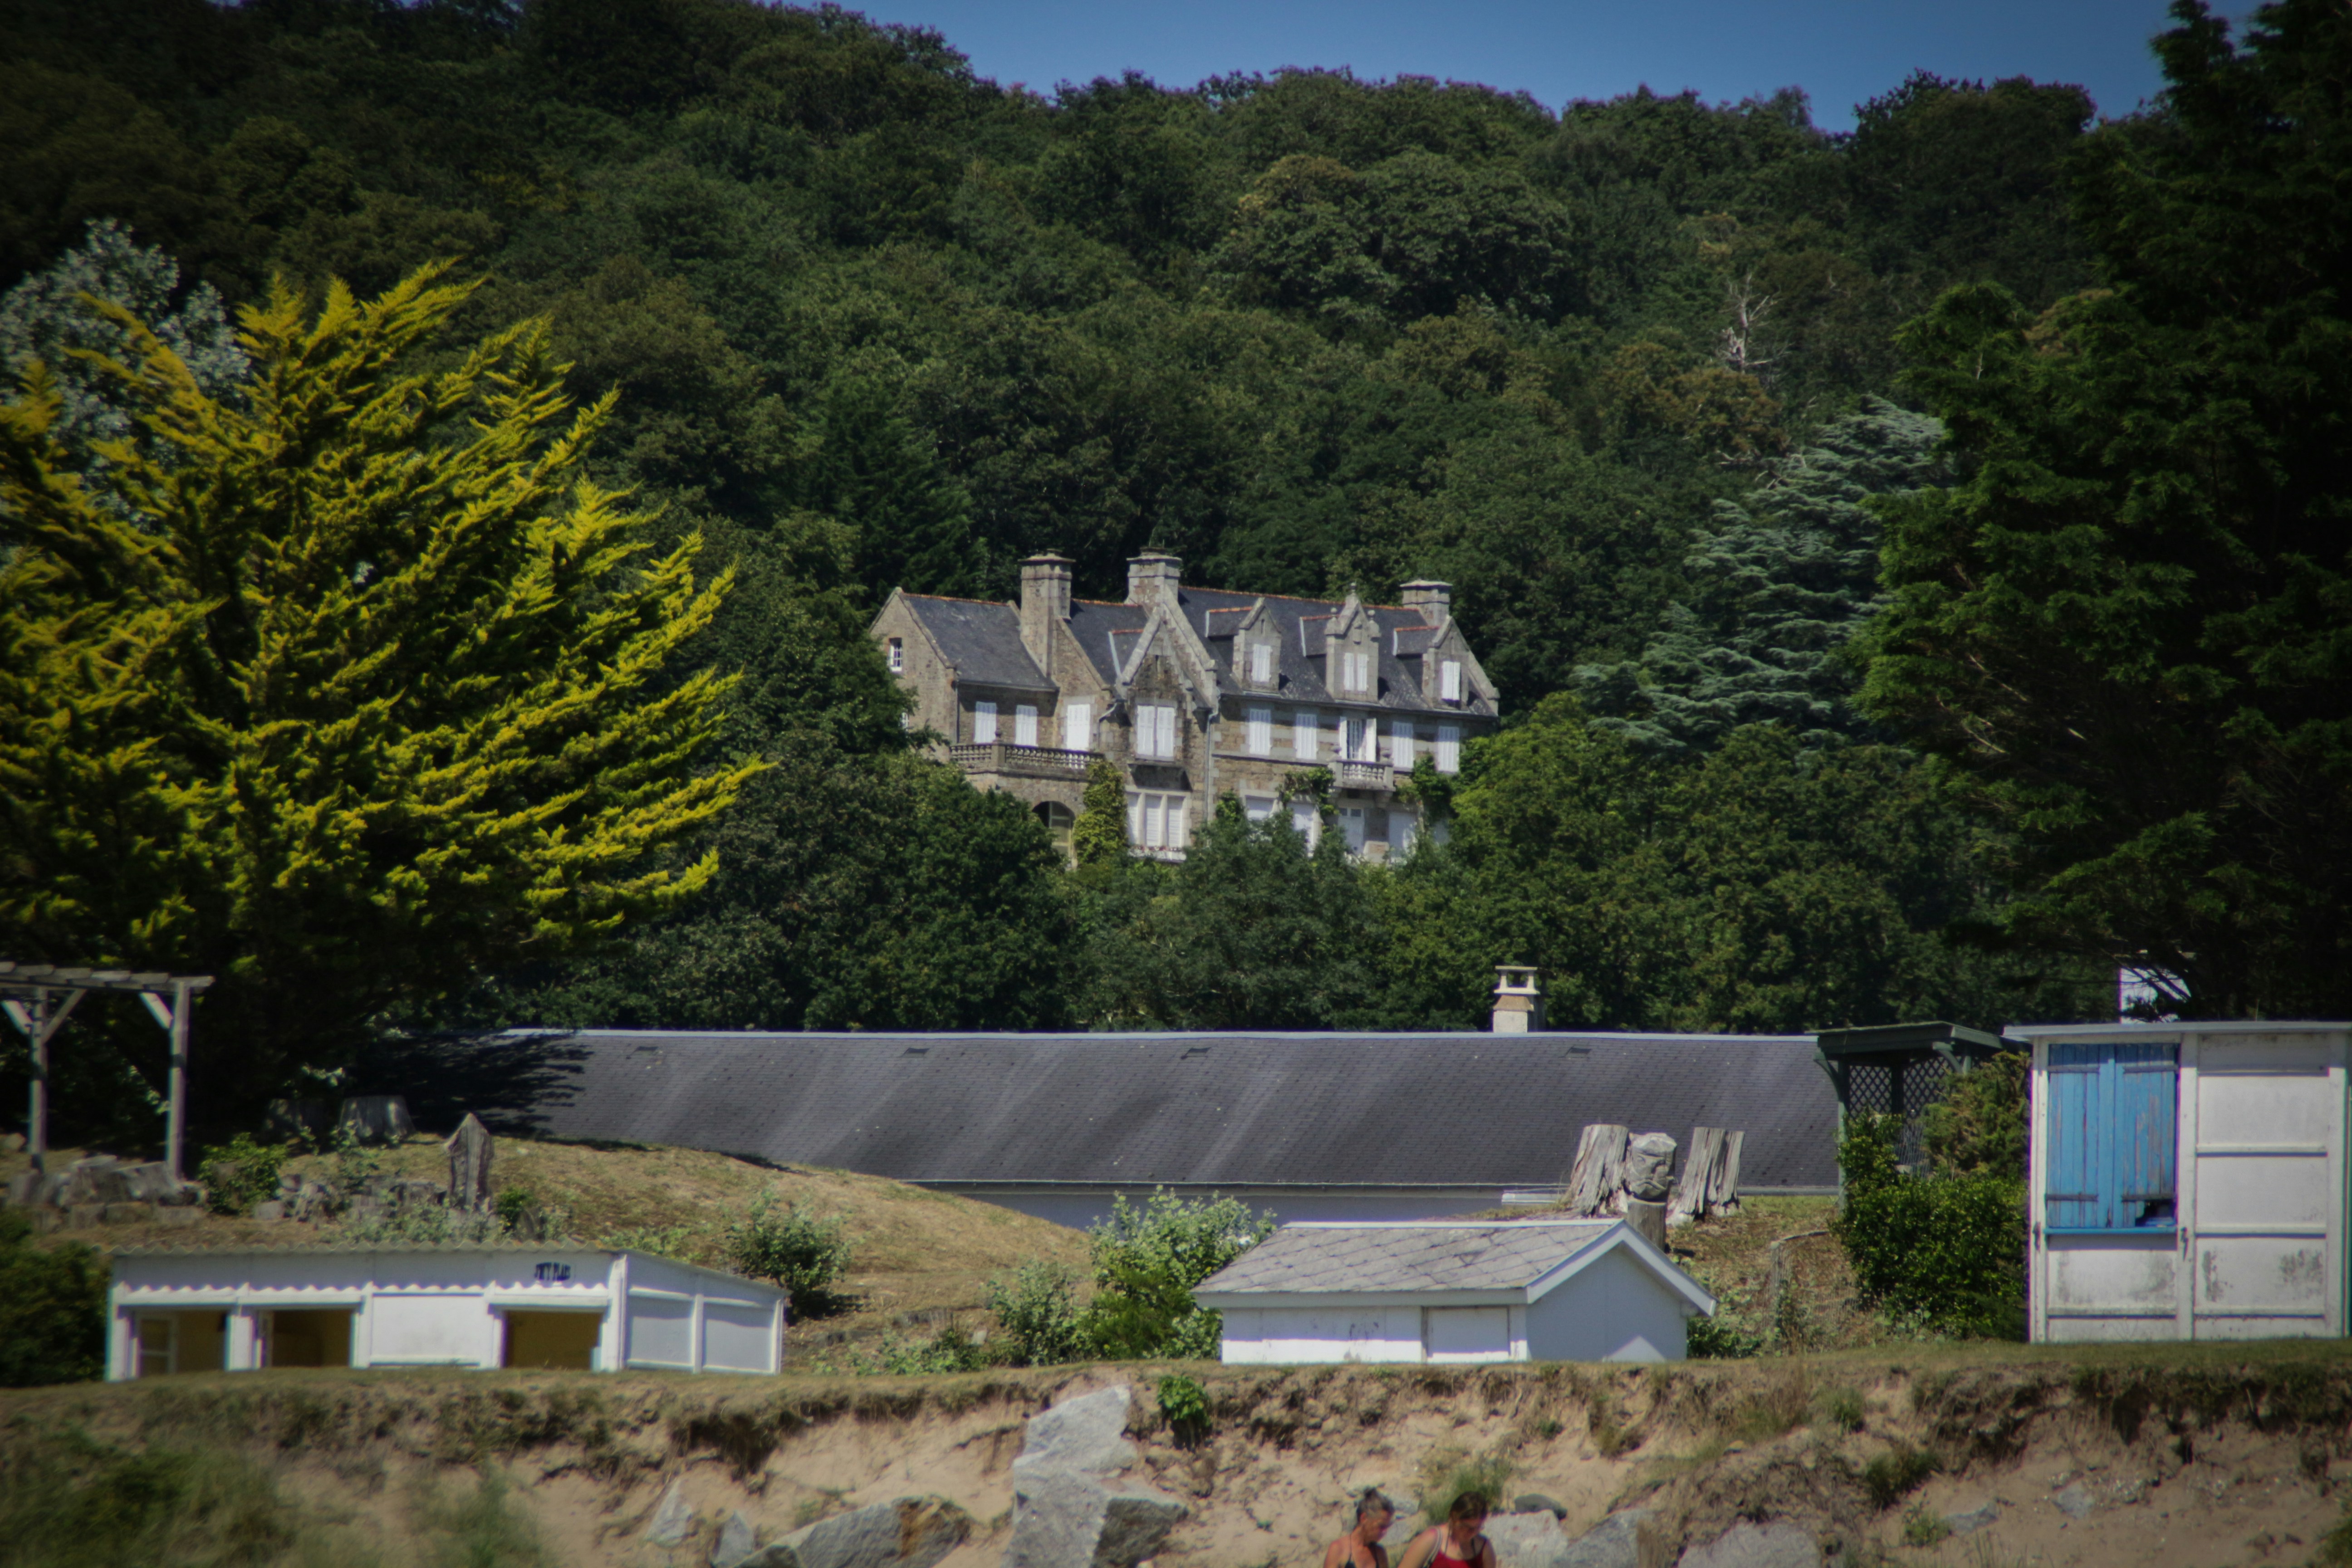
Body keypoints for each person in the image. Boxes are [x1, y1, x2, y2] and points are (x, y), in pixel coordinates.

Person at [1397, 1491, 1496, 1568]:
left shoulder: (1484, 1548)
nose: (1472, 1533)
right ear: (1453, 1517)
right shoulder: (1432, 1540)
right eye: (1465, 1527)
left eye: (1477, 1528)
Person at [1323, 1489, 1394, 1568]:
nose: (1385, 1532)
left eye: (1387, 1527)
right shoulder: (1338, 1549)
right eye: (1381, 1526)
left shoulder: (1379, 1553)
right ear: (1364, 1518)